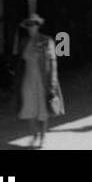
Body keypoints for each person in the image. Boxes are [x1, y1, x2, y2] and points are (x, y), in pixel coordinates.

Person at [15, 14, 63, 148]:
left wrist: (53, 81)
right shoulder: (24, 42)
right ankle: (34, 133)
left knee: (43, 108)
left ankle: (42, 135)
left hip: (43, 79)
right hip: (28, 79)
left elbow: (53, 62)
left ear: (38, 25)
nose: (31, 27)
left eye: (33, 24)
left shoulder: (47, 40)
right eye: (29, 25)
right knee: (28, 107)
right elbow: (20, 61)